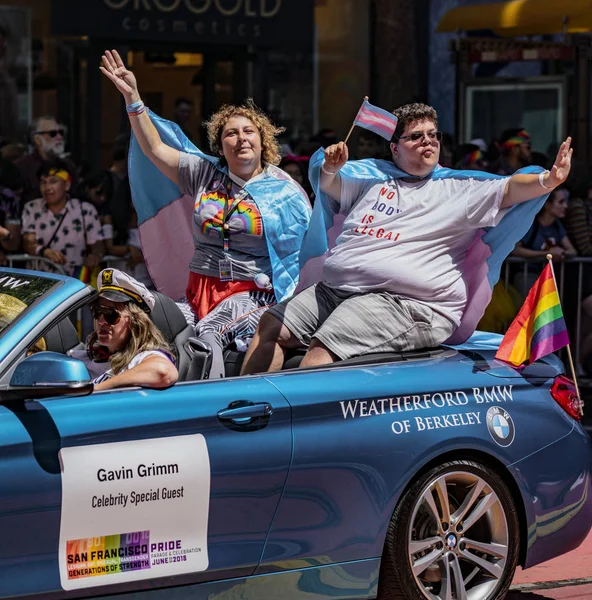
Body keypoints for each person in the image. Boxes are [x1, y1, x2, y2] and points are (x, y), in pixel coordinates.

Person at [241, 103, 573, 373]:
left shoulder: (460, 188)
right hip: (338, 291)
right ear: (395, 148)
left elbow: (511, 188)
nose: (428, 141)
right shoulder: (370, 178)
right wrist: (330, 168)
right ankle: (246, 419)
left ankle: (302, 439)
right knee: (271, 324)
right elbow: (330, 187)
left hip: (408, 304)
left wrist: (548, 179)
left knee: (324, 347)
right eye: (416, 136)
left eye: (433, 134)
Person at [100, 49, 310, 378]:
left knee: (206, 337)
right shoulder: (204, 173)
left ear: (262, 140)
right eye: (231, 133)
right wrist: (133, 98)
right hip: (198, 290)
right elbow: (154, 148)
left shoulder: (285, 191)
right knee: (149, 331)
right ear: (220, 144)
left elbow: (303, 255)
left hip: (251, 295)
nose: (240, 139)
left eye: (248, 132)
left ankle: (209, 413)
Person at [71, 268, 178, 390]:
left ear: (135, 321)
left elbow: (163, 372)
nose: (101, 321)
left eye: (110, 314)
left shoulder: (142, 358)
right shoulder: (85, 357)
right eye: (97, 312)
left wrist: (97, 389)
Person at [21, 160, 105, 274]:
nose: (47, 187)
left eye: (53, 182)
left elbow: (98, 245)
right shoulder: (31, 208)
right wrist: (45, 252)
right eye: (43, 182)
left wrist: (95, 255)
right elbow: (28, 243)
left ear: (67, 185)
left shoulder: (85, 210)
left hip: (73, 283)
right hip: (39, 282)